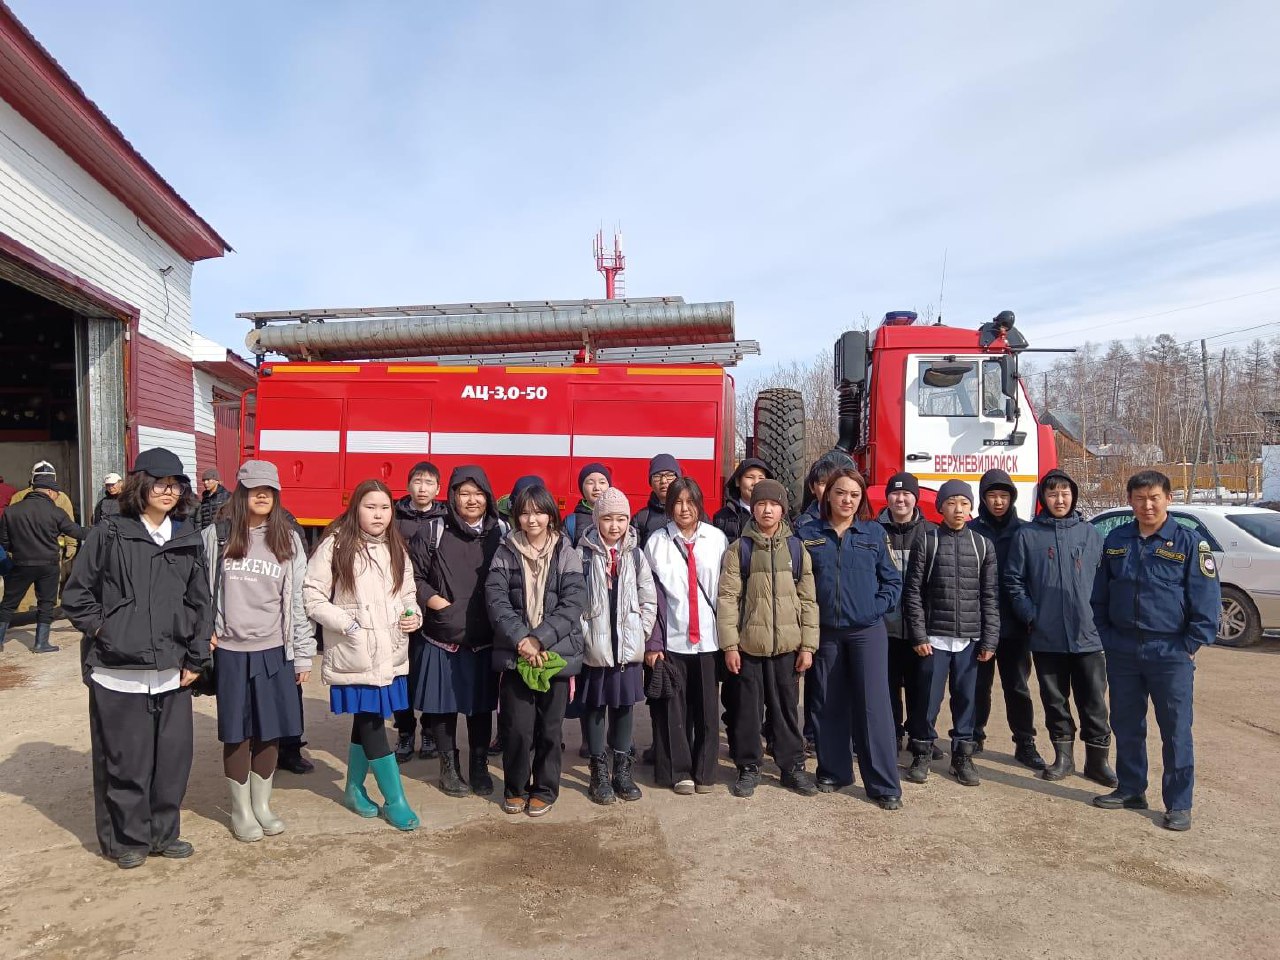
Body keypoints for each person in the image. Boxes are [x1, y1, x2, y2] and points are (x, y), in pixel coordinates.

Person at [62, 448, 212, 869]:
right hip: (118, 671)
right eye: (161, 482)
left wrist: (196, 659)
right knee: (125, 761)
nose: (169, 491)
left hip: (171, 671)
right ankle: (126, 839)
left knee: (172, 761)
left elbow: (202, 602)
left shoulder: (186, 535)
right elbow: (76, 596)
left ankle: (164, 834)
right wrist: (106, 630)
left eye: (176, 484)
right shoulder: (110, 532)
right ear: (141, 484)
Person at [1090, 470, 1219, 832]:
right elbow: (1100, 594)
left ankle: (1178, 803)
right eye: (1140, 498)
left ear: (1168, 499)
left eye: (1154, 498)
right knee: (1127, 725)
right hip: (1123, 650)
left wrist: (1190, 645)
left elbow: (1207, 601)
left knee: (1175, 730)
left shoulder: (1189, 543)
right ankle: (1131, 789)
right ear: (1130, 500)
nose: (1147, 505)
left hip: (1171, 651)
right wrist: (1107, 636)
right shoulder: (1117, 539)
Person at [202, 461, 315, 842]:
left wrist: (302, 653)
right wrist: (205, 634)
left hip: (274, 650)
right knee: (237, 733)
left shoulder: (288, 539)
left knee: (269, 731)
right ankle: (240, 809)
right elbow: (199, 593)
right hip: (231, 651)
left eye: (269, 488)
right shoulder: (216, 536)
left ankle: (262, 805)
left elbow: (298, 601)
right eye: (254, 488)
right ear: (241, 492)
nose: (262, 494)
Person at [304, 479, 422, 832]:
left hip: (390, 651)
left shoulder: (395, 546)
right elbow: (312, 596)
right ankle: (395, 798)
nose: (379, 514)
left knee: (366, 719)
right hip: (355, 652)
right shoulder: (334, 546)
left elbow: (408, 592)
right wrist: (349, 625)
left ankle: (354, 788)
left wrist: (412, 614)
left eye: (385, 507)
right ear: (355, 508)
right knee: (373, 724)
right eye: (371, 506)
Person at [799, 468, 903, 809]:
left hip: (866, 633)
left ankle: (884, 784)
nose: (847, 500)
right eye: (841, 493)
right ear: (827, 495)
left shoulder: (873, 533)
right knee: (827, 702)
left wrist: (874, 609)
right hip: (825, 632)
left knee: (873, 706)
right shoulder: (807, 531)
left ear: (861, 501)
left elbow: (892, 582)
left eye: (854, 495)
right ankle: (833, 770)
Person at [1006, 469, 1116, 786]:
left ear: (1074, 496)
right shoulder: (1027, 536)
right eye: (1052, 494)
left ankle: (1098, 762)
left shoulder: (1090, 534)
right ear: (1043, 498)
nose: (1059, 499)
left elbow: (1106, 580)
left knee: (1094, 701)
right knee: (1055, 701)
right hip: (1046, 636)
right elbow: (1014, 581)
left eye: (1065, 493)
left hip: (1088, 636)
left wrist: (1102, 620)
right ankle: (1063, 758)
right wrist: (1031, 615)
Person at [486, 483, 586, 817]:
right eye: (525, 512)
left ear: (550, 515)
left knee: (550, 729)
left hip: (555, 652)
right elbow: (497, 600)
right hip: (516, 654)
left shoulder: (566, 552)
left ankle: (545, 789)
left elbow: (573, 602)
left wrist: (539, 639)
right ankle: (515, 788)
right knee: (516, 728)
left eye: (539, 511)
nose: (532, 519)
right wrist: (522, 640)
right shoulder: (504, 550)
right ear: (516, 515)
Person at [718, 479, 819, 798]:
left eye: (773, 504)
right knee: (748, 711)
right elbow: (728, 598)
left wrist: (808, 645)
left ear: (782, 510)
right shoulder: (740, 550)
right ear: (753, 507)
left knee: (786, 709)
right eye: (761, 504)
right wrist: (730, 645)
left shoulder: (796, 548)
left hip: (787, 648)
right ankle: (748, 766)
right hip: (749, 647)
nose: (767, 509)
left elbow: (808, 599)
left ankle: (791, 766)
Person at [408, 466, 506, 798]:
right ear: (452, 497)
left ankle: (479, 766)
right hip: (442, 635)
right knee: (443, 707)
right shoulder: (433, 530)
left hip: (484, 638)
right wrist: (435, 602)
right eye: (464, 493)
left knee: (481, 708)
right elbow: (414, 577)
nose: (472, 500)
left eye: (478, 493)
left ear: (488, 497)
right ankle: (448, 767)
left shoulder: (500, 532)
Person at [903, 479, 998, 787]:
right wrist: (919, 635)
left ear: (971, 508)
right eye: (952, 503)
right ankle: (921, 751)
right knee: (927, 700)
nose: (959, 509)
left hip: (969, 641)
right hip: (934, 639)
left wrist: (990, 639)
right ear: (941, 506)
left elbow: (990, 596)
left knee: (967, 700)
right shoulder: (927, 541)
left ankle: (962, 756)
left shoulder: (982, 545)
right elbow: (913, 592)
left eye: (964, 503)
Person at [644, 476, 728, 794]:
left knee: (707, 708)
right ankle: (679, 771)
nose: (683, 509)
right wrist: (653, 641)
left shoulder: (716, 539)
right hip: (672, 640)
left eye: (690, 502)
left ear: (699, 504)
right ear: (669, 506)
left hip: (708, 639)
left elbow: (726, 592)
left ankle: (705, 770)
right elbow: (650, 597)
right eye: (677, 502)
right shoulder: (657, 542)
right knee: (673, 710)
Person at [576, 487, 656, 804]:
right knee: (595, 709)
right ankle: (598, 772)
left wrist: (641, 630)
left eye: (621, 519)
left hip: (627, 647)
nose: (614, 526)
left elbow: (648, 599)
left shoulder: (636, 555)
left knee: (624, 708)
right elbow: (573, 599)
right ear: (596, 520)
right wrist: (583, 633)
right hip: (594, 646)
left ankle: (622, 770)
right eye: (607, 518)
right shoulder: (582, 553)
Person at [968, 469, 1045, 770]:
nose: (998, 501)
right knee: (977, 685)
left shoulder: (1026, 532)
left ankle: (1025, 742)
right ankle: (973, 735)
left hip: (1015, 626)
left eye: (1003, 496)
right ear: (983, 499)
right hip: (979, 623)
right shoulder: (972, 531)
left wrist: (1030, 617)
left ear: (1012, 498)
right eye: (991, 496)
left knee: (1017, 686)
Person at [877, 472, 935, 754]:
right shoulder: (873, 531)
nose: (900, 499)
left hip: (919, 628)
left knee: (920, 687)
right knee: (887, 687)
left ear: (916, 498)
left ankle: (919, 737)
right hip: (885, 627)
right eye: (895, 493)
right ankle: (892, 734)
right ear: (888, 497)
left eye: (906, 494)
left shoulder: (931, 533)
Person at [392, 461, 445, 764]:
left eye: (429, 483)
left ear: (438, 489)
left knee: (428, 672)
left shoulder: (445, 519)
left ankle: (428, 731)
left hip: (431, 605)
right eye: (417, 481)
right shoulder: (393, 516)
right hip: (399, 606)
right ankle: (404, 730)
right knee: (401, 670)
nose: (422, 488)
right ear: (408, 484)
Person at [0, 473, 87, 653]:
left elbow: (4, 540)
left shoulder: (11, 511)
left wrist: (16, 552)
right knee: (46, 603)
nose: (57, 495)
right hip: (48, 565)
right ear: (49, 491)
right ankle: (41, 644)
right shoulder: (55, 512)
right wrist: (100, 531)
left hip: (21, 564)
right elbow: (76, 532)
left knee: (8, 603)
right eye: (56, 492)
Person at [712, 457, 772, 541]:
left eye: (761, 478)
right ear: (737, 481)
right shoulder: (721, 517)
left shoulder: (777, 514)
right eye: (750, 477)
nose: (755, 483)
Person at [633, 454, 682, 546]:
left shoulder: (692, 513)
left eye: (669, 475)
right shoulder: (641, 518)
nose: (663, 480)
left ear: (678, 479)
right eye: (657, 476)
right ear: (650, 482)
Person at [563, 462, 612, 547]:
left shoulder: (619, 517)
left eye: (602, 482)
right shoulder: (571, 521)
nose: (597, 487)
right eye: (590, 483)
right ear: (582, 488)